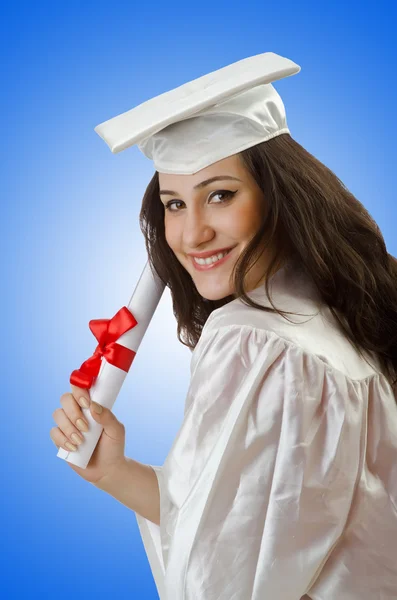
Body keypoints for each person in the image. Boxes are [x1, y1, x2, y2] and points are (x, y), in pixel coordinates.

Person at [50, 52, 397, 598]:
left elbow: (217, 576)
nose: (192, 235)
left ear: (278, 196)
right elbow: (248, 528)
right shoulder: (345, 316)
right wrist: (112, 470)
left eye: (219, 195)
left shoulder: (254, 340)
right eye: (174, 204)